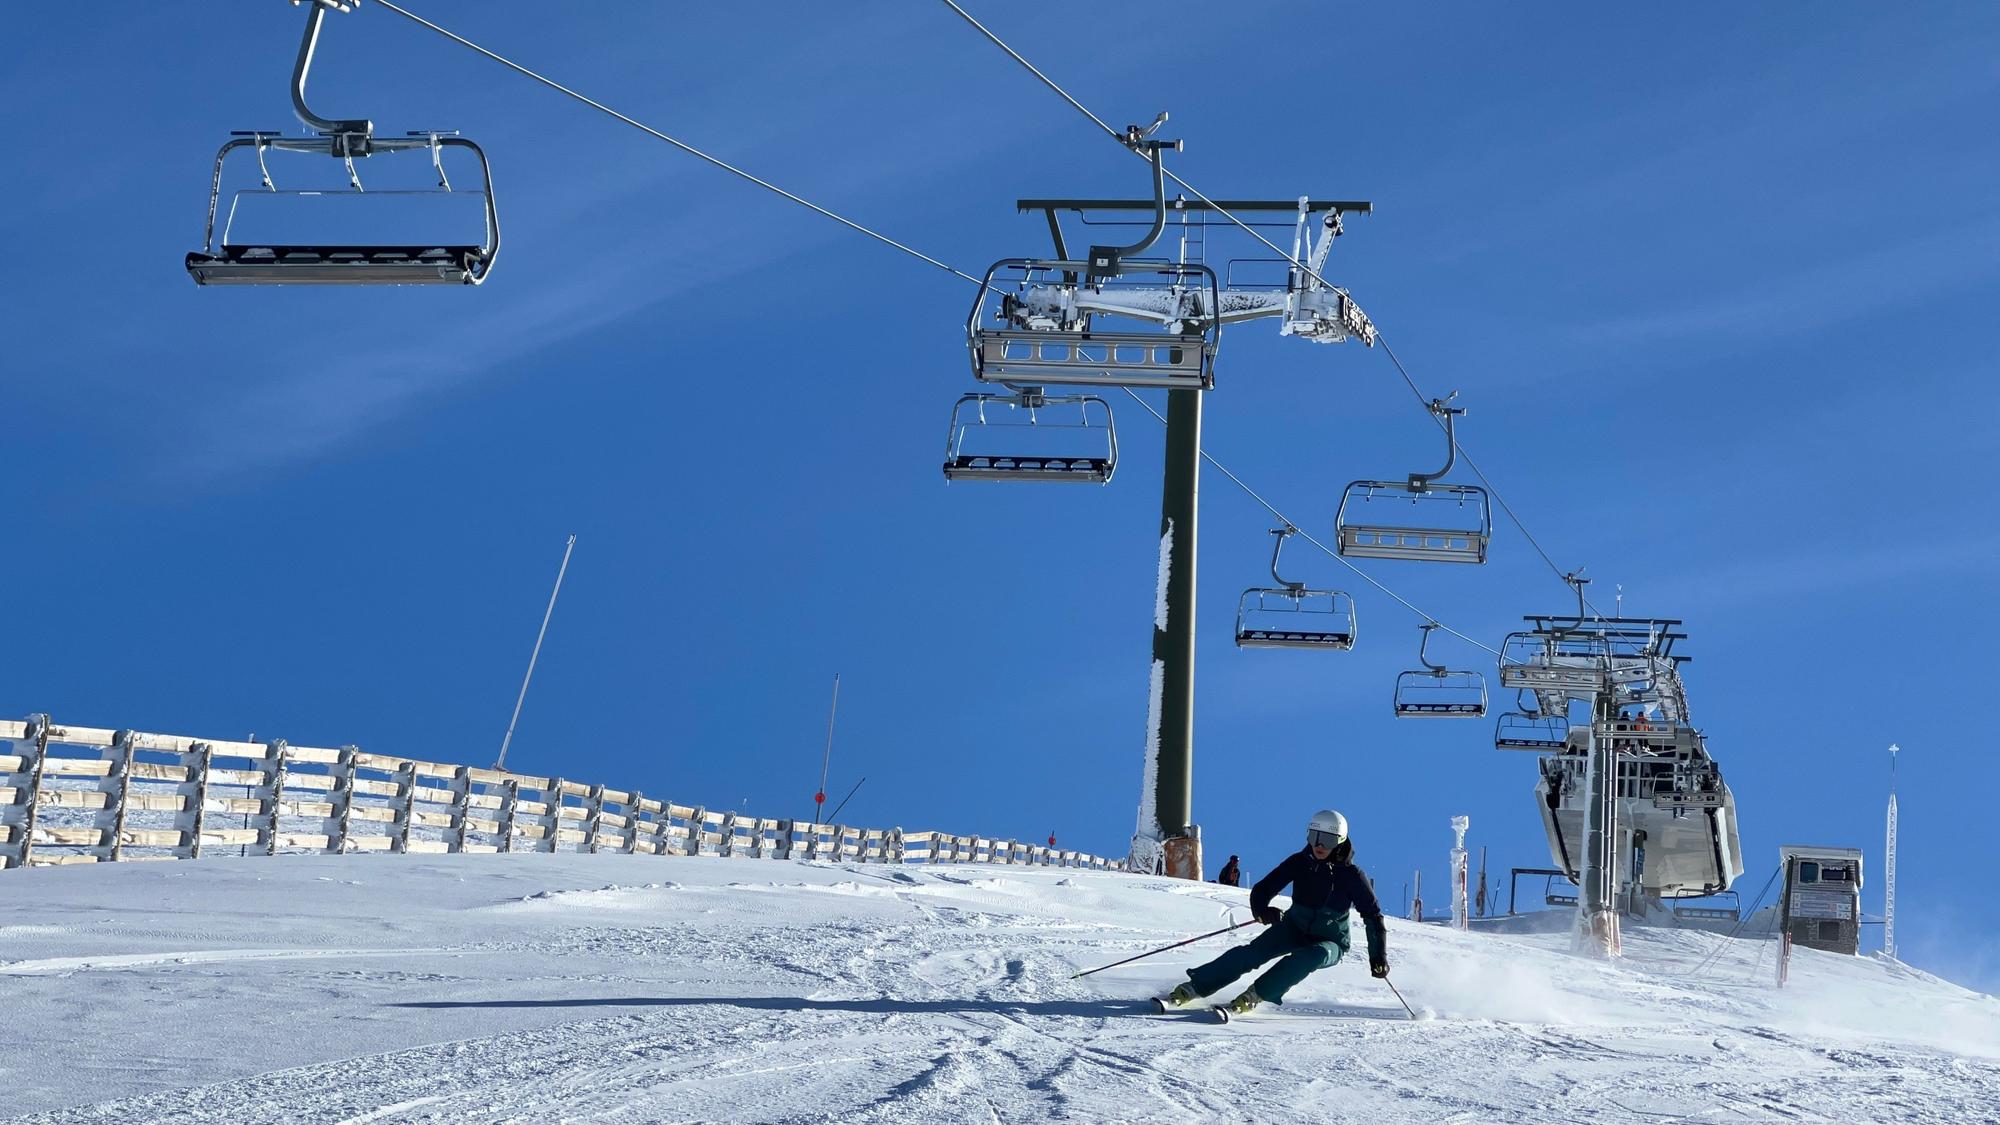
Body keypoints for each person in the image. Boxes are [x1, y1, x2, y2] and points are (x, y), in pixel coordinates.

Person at [1160, 809, 1388, 1017]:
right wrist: (1262, 910)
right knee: (1251, 954)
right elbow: (1263, 889)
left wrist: (1378, 957)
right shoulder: (1299, 862)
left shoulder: (1351, 876)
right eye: (1314, 837)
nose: (1319, 845)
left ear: (1339, 842)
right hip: (1294, 928)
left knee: (1311, 956)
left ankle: (1253, 996)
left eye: (1327, 840)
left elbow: (1373, 916)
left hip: (1331, 940)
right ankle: (1191, 988)